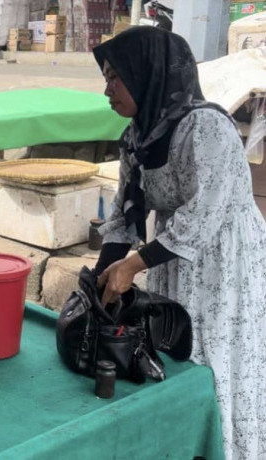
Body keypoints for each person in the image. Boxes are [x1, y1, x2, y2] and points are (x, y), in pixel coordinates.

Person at [91, 26, 266, 460]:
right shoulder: (137, 138)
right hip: (175, 257)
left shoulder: (205, 128)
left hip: (226, 259)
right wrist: (98, 279)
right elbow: (122, 217)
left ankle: (228, 448)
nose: (107, 89)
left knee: (218, 358)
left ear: (147, 74)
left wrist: (133, 266)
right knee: (178, 351)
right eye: (106, 77)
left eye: (116, 77)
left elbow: (205, 214)